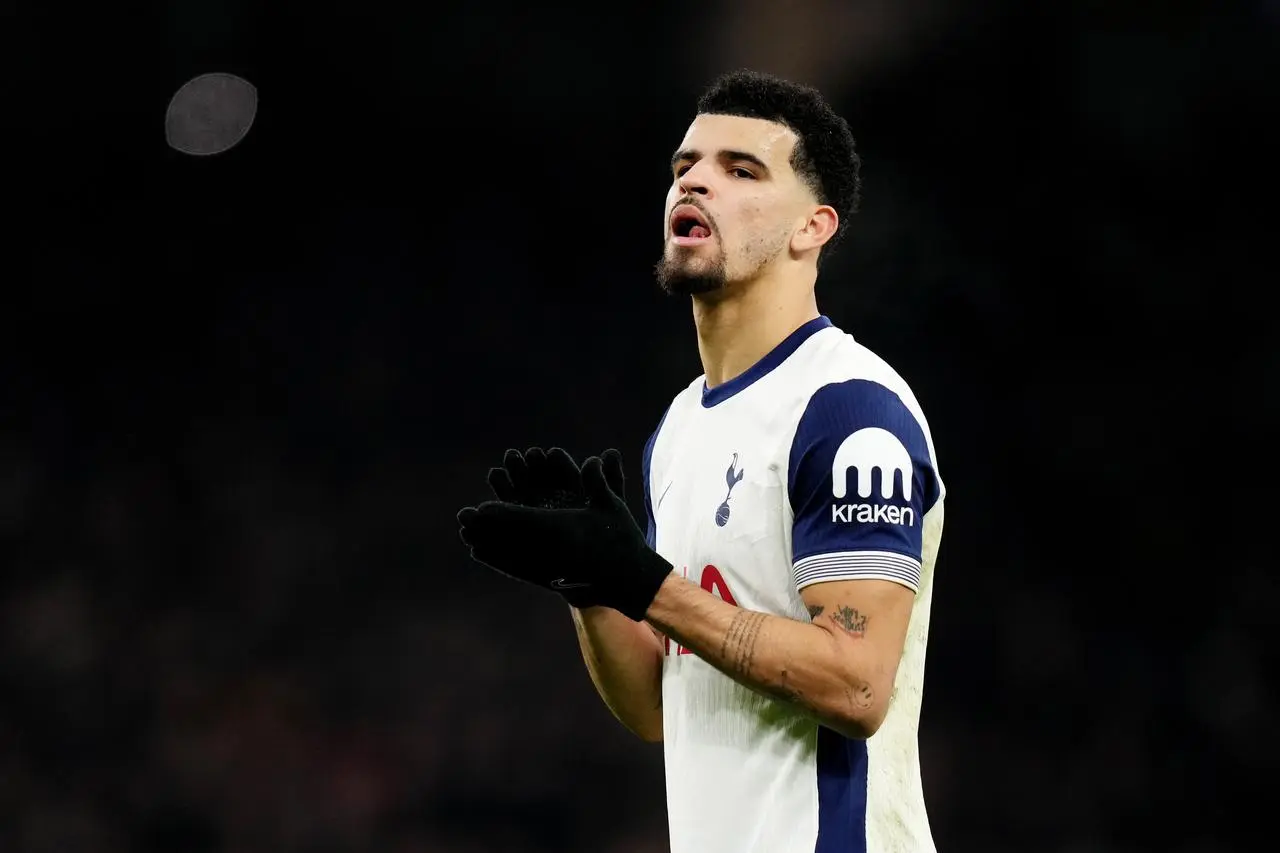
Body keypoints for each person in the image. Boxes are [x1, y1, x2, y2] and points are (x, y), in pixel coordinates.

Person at [457, 69, 945, 853]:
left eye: (740, 169)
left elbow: (856, 685)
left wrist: (646, 583)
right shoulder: (683, 427)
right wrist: (593, 589)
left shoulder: (850, 410)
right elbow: (659, 704)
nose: (696, 183)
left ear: (811, 228)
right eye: (686, 167)